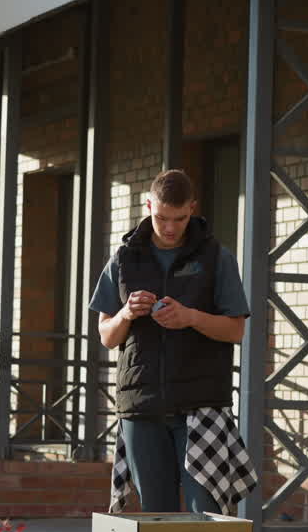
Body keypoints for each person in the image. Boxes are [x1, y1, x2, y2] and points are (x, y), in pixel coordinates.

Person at [89, 169, 251, 513]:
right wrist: (126, 314)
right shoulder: (122, 258)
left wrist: (190, 317)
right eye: (161, 217)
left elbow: (236, 330)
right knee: (155, 518)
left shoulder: (217, 257)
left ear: (192, 208)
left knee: (204, 516)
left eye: (179, 218)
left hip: (202, 406)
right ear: (148, 206)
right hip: (140, 407)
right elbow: (106, 335)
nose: (170, 227)